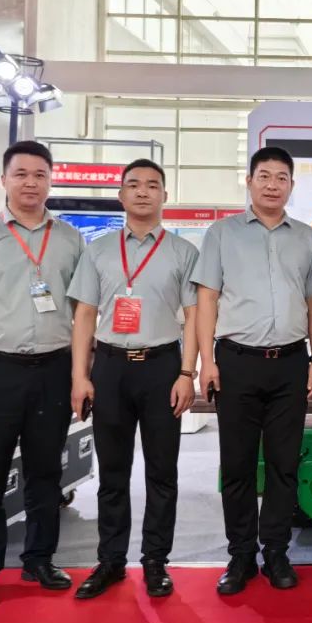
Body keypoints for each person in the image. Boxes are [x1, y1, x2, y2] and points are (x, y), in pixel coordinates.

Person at [0, 141, 85, 612]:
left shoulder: (70, 239)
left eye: (40, 174)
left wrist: (80, 372)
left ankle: (39, 559)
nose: (30, 183)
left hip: (53, 369)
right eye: (21, 174)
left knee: (46, 471)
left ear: (51, 180)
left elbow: (83, 311)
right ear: (4, 179)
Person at [192, 146, 312, 595]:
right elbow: (207, 299)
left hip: (290, 363)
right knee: (238, 465)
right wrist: (207, 361)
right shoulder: (222, 234)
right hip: (236, 362)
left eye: (281, 177)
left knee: (284, 464)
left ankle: (277, 552)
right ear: (249, 182)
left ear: (291, 185)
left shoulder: (307, 238)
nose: (272, 185)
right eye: (264, 176)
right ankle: (241, 555)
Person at [67, 158, 199, 599]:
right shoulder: (99, 251)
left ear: (165, 196)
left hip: (162, 367)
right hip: (110, 367)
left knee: (162, 471)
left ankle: (156, 562)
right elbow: (85, 315)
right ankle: (110, 561)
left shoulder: (183, 252)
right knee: (113, 471)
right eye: (134, 185)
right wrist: (80, 375)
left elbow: (195, 317)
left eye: (153, 185)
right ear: (121, 195)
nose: (143, 191)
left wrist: (188, 372)